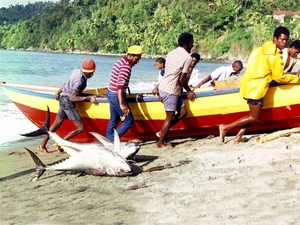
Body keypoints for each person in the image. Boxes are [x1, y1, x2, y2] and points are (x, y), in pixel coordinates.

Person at [219, 26, 300, 144]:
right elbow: (279, 76)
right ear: (275, 38)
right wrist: (296, 80)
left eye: (285, 40)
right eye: (282, 40)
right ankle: (225, 127)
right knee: (254, 117)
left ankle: (238, 137)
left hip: (249, 83)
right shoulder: (275, 55)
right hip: (256, 88)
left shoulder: (259, 48)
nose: (283, 43)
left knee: (253, 115)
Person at [38, 58, 98, 153]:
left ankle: (42, 144)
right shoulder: (80, 81)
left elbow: (67, 84)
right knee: (80, 128)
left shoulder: (76, 71)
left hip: (62, 98)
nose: (92, 75)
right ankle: (61, 143)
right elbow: (72, 98)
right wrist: (88, 98)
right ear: (87, 72)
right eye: (91, 73)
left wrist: (58, 91)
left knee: (56, 124)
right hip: (68, 102)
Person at [156, 32, 196, 148]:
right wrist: (189, 90)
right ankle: (160, 143)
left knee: (183, 113)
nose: (192, 46)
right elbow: (182, 79)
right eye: (191, 43)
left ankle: (161, 132)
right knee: (170, 116)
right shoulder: (187, 57)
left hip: (166, 86)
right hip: (171, 89)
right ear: (186, 44)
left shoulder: (171, 53)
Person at [105, 45, 144, 142]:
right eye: (136, 58)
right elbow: (120, 86)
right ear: (130, 55)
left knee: (114, 119)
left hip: (110, 92)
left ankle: (107, 139)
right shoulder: (126, 66)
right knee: (129, 121)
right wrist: (122, 103)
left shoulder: (121, 61)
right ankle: (112, 140)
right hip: (116, 95)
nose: (137, 61)